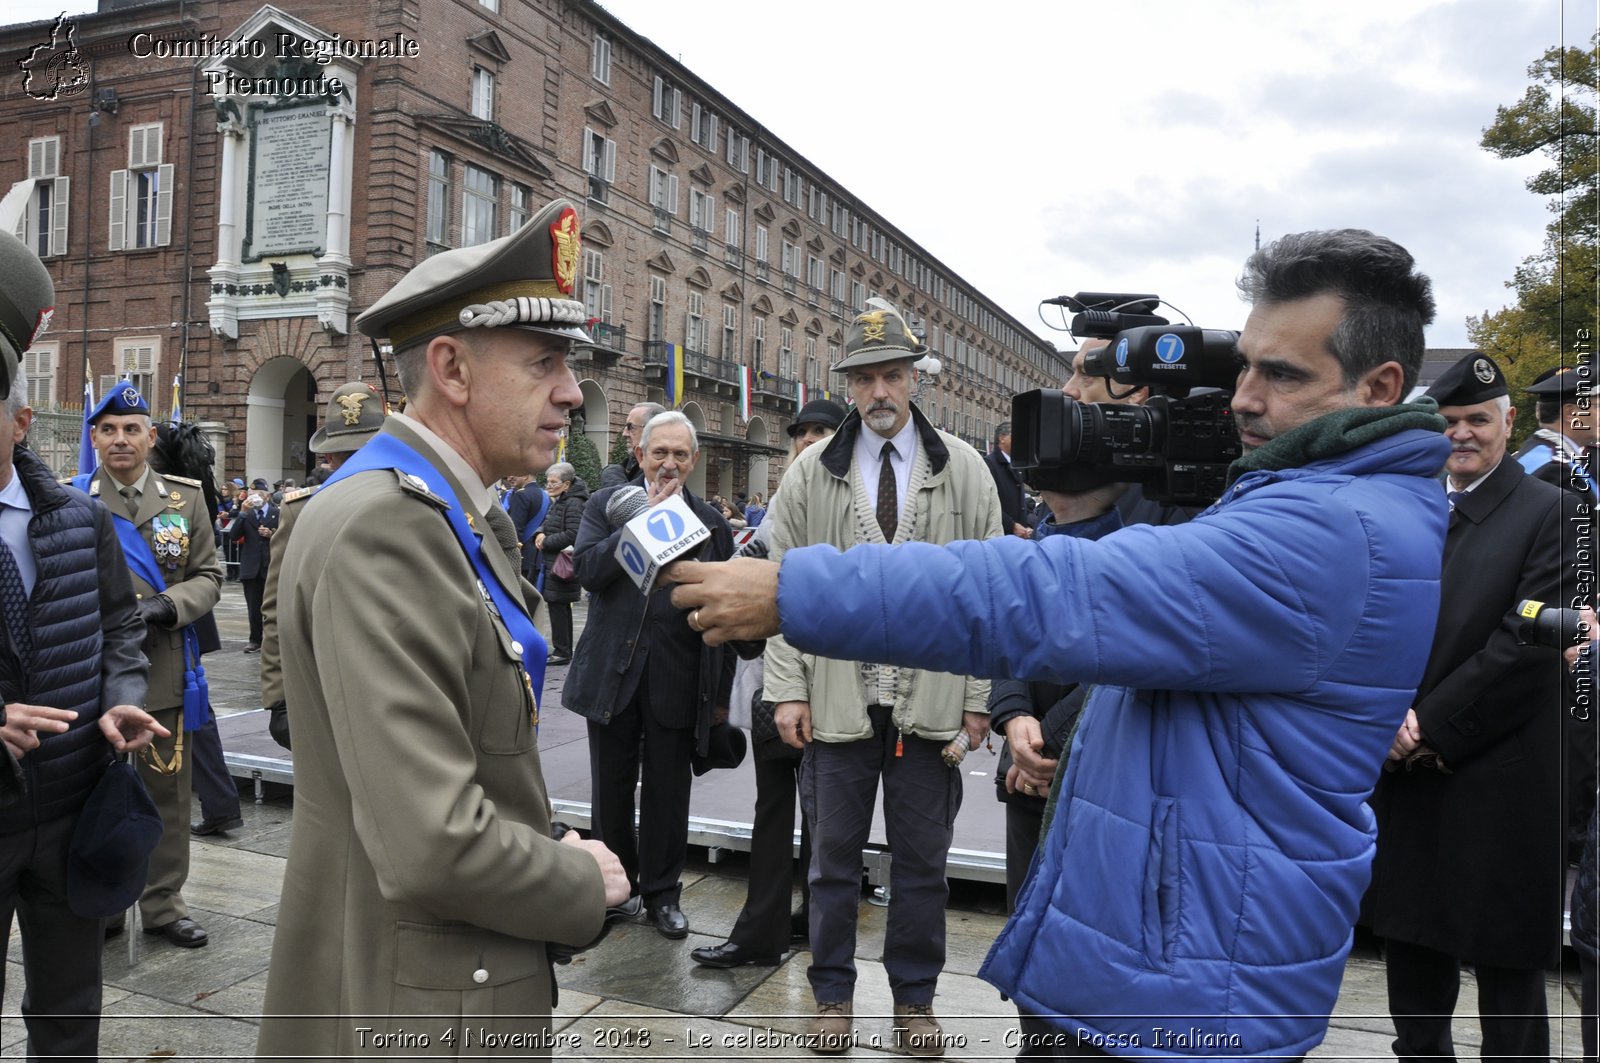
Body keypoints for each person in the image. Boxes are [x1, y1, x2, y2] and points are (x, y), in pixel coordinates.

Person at [666, 229, 1453, 1060]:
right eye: (1244, 367)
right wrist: (1093, 508)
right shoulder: (1322, 497)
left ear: (1381, 386)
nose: (1244, 400)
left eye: (1283, 375)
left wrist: (794, 590)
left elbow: (1055, 595)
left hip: (1193, 986)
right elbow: (1133, 599)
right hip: (1177, 948)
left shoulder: (1332, 532)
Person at [256, 199, 628, 1059]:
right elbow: (432, 841)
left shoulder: (448, 513)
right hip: (421, 991)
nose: (573, 391)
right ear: (452, 369)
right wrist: (576, 879)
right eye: (544, 363)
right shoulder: (389, 524)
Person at [754, 304, 999, 1055]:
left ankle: (915, 1001)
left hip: (930, 706)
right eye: (865, 378)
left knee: (923, 865)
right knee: (831, 861)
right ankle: (832, 995)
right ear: (850, 385)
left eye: (893, 373)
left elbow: (992, 589)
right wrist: (786, 686)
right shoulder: (810, 470)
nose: (880, 390)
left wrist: (980, 698)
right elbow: (777, 579)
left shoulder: (964, 466)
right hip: (835, 701)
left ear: (915, 377)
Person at [1362, 352, 1578, 1062]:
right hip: (1411, 780)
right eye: (1448, 421)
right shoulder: (1409, 507)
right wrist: (1388, 715)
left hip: (1500, 781)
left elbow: (1528, 641)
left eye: (1477, 420)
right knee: (1415, 983)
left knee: (1510, 994)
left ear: (1508, 422)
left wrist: (1425, 723)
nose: (1461, 434)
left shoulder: (1554, 512)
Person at [0, 231, 164, 1061]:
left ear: (22, 420)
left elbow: (122, 626)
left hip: (69, 811)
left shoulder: (79, 520)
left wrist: (122, 695)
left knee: (67, 1017)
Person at [562, 410, 736, 940]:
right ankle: (618, 891)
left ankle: (663, 895)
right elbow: (588, 571)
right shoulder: (604, 506)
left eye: (680, 455)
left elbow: (725, 614)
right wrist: (643, 525)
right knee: (610, 790)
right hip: (612, 672)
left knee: (667, 794)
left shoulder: (710, 523)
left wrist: (721, 698)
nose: (669, 463)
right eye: (659, 452)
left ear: (694, 461)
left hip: (678, 678)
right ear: (639, 455)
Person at [691, 395, 845, 972]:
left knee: (828, 815)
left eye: (822, 431)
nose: (808, 440)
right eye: (801, 432)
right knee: (775, 806)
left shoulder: (853, 501)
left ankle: (813, 922)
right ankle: (764, 930)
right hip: (776, 684)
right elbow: (749, 564)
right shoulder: (784, 498)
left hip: (837, 681)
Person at [86, 383, 222, 950]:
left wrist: (169, 606)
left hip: (163, 665)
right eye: (110, 429)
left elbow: (210, 576)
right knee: (95, 797)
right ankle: (107, 906)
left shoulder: (184, 500)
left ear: (151, 437)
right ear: (94, 438)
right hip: (92, 675)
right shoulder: (74, 499)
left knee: (167, 795)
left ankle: (164, 904)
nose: (121, 439)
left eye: (132, 429)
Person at [258, 381, 387, 752]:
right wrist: (278, 694)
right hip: (324, 680)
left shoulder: (418, 502)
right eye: (345, 455)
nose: (356, 465)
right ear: (329, 460)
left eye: (365, 452)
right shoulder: (301, 510)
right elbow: (277, 608)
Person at [535, 461, 585, 665]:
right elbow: (549, 522)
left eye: (553, 482)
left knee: (559, 607)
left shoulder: (574, 503)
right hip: (553, 562)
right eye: (548, 481)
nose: (549, 486)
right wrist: (540, 532)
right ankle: (561, 649)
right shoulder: (563, 500)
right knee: (557, 606)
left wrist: (546, 541)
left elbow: (574, 533)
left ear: (566, 484)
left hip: (561, 564)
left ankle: (562, 651)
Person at [235, 490, 276, 654]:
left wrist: (272, 534)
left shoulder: (277, 513)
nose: (255, 498)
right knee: (253, 607)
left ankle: (272, 639)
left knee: (273, 606)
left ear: (267, 496)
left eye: (258, 494)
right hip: (251, 567)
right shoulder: (247, 514)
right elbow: (234, 535)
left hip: (270, 565)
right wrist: (242, 514)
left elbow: (288, 535)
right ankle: (255, 639)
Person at [600, 401, 664, 488]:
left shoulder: (661, 470)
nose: (624, 433)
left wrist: (611, 475)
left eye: (631, 427)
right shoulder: (628, 465)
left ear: (651, 430)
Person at [985, 421, 1032, 538]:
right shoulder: (989, 464)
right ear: (1002, 438)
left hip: (1019, 535)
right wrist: (1011, 525)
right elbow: (987, 503)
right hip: (1000, 535)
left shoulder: (1017, 465)